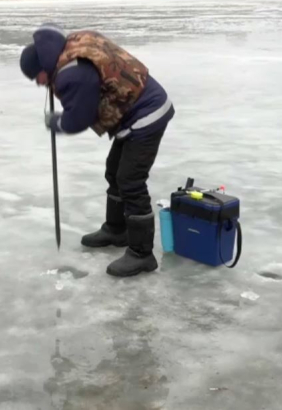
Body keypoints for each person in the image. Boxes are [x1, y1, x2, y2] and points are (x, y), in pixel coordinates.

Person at [20, 24, 175, 277]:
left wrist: (57, 121)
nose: (38, 84)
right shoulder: (70, 47)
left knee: (130, 180)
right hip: (133, 111)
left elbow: (80, 117)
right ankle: (117, 230)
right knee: (114, 172)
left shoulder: (71, 74)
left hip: (147, 114)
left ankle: (141, 253)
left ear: (43, 70)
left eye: (36, 78)